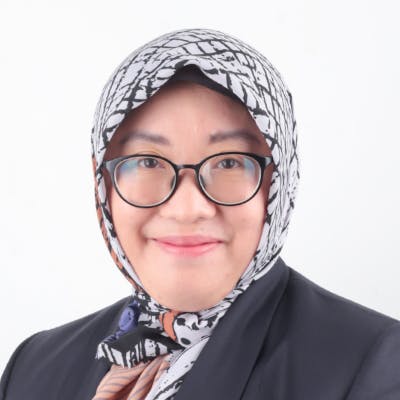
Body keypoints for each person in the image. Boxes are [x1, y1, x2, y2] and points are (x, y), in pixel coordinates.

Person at [1, 28, 399, 400]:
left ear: (280, 182)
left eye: (229, 163)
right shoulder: (34, 367)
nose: (187, 208)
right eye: (147, 161)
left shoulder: (372, 363)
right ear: (102, 184)